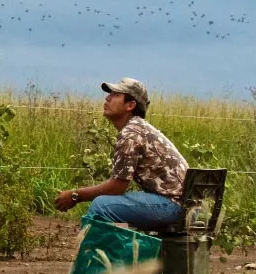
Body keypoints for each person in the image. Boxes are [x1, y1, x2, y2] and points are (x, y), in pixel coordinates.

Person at [54, 78, 189, 229]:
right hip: (180, 205)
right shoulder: (138, 128)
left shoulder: (131, 134)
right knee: (110, 206)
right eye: (109, 94)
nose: (107, 98)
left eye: (116, 95)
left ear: (130, 105)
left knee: (102, 206)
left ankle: (101, 252)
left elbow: (116, 188)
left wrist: (75, 195)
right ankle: (121, 250)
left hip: (172, 206)